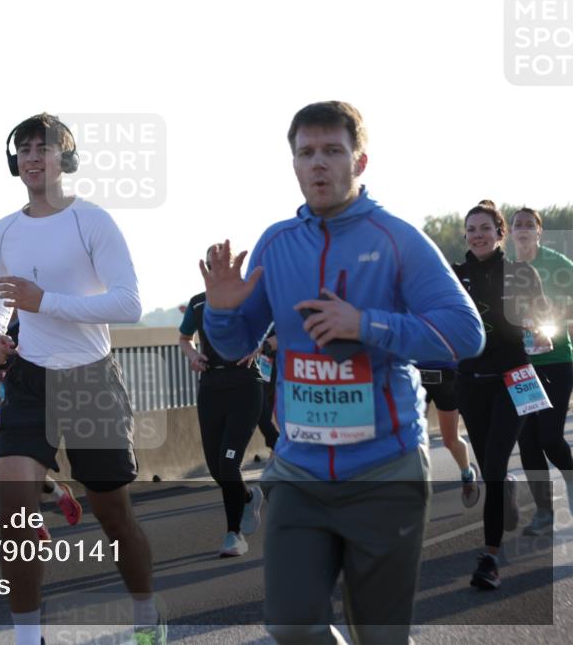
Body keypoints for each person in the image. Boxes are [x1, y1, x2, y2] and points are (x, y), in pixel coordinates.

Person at [201, 101, 485, 644]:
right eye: (306, 153)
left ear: (360, 160)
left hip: (385, 470)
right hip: (300, 470)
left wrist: (367, 325)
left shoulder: (397, 238)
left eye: (332, 150)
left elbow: (464, 334)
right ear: (293, 164)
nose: (318, 164)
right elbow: (237, 343)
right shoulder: (277, 242)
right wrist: (220, 308)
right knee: (291, 625)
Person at [0, 113, 162, 645]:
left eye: (45, 148)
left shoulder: (93, 221)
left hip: (90, 381)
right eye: (25, 149)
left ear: (67, 158)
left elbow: (129, 304)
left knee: (114, 517)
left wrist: (47, 303)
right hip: (29, 379)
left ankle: (147, 617)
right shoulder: (2, 230)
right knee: (14, 514)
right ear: (14, 161)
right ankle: (27, 638)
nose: (33, 157)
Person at [453, 200, 551, 589]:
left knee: (493, 465)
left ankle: (489, 558)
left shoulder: (522, 274)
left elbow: (544, 316)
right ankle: (503, 487)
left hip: (515, 377)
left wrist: (541, 330)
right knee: (492, 469)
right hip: (470, 381)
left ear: (500, 234)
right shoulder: (454, 276)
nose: (477, 234)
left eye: (484, 228)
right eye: (471, 229)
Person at [0, 312, 84, 539]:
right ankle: (51, 504)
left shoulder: (33, 326)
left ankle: (48, 507)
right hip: (10, 407)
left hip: (39, 404)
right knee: (22, 467)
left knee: (30, 466)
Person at [179, 253, 265, 558]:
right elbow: (184, 338)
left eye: (224, 265)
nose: (219, 270)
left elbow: (275, 324)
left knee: (229, 463)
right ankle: (245, 497)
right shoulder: (198, 302)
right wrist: (193, 357)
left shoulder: (249, 299)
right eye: (213, 265)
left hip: (245, 386)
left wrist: (260, 346)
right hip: (211, 388)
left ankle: (234, 534)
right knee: (217, 467)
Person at [511, 207, 573, 535]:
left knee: (550, 438)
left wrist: (556, 326)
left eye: (528, 224)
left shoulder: (558, 265)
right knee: (529, 442)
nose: (522, 229)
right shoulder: (507, 269)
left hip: (557, 361)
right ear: (510, 233)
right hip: (520, 369)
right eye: (517, 224)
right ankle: (545, 512)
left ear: (539, 232)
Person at [416, 360, 479, 507]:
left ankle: (467, 474)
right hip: (416, 375)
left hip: (446, 377)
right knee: (415, 440)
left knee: (450, 440)